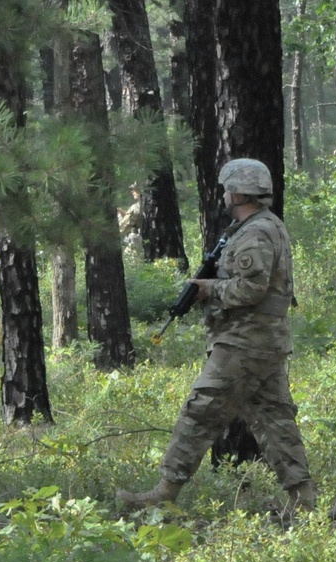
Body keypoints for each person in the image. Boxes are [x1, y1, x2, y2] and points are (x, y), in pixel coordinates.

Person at [117, 159, 316, 517]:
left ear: (238, 192)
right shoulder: (257, 226)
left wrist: (211, 289)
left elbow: (252, 289)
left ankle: (164, 491)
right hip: (261, 341)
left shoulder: (255, 233)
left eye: (227, 188)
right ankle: (303, 500)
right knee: (275, 419)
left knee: (200, 411)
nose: (224, 194)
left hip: (245, 342)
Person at [117, 184, 142, 248]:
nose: (132, 192)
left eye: (135, 190)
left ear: (140, 192)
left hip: (135, 241)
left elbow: (123, 226)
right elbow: (134, 218)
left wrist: (119, 216)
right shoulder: (143, 205)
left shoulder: (135, 207)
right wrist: (123, 213)